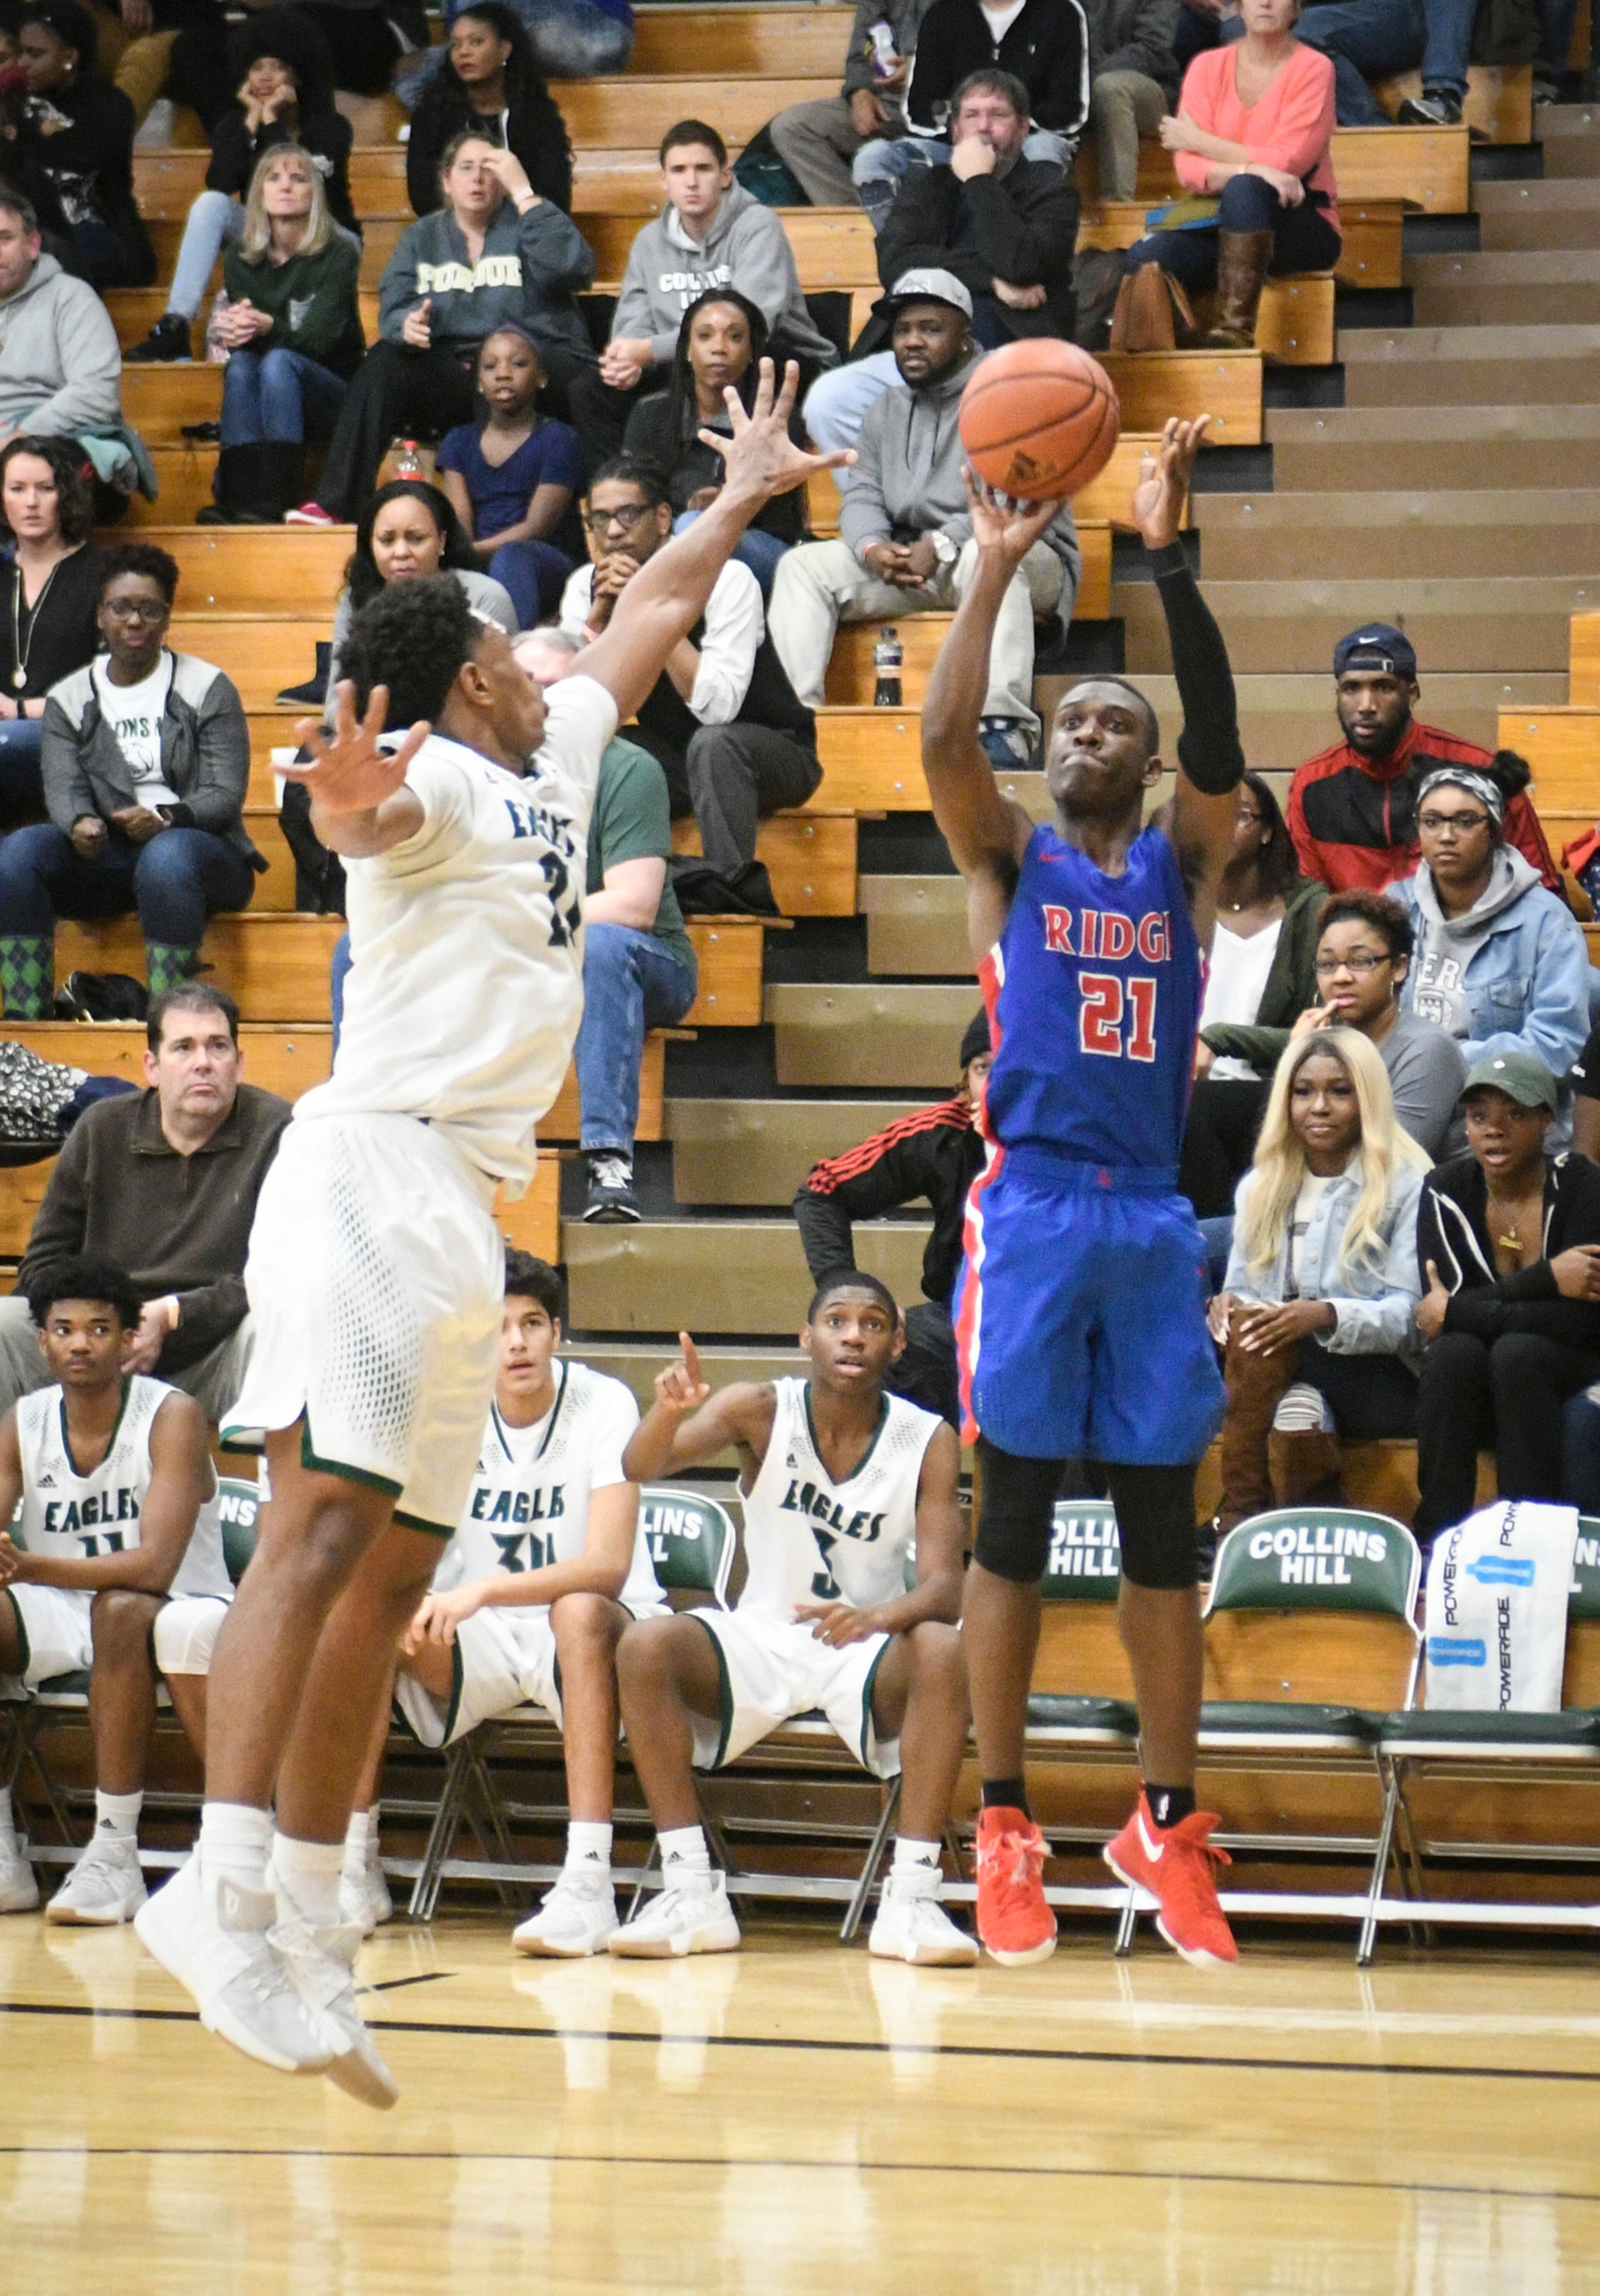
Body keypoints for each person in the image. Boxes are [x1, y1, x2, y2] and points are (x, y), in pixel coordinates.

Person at [132, 363, 846, 2104]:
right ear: (476, 672)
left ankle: (309, 1913)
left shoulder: (563, 749)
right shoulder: (450, 777)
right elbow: (357, 815)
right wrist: (341, 791)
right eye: (531, 653)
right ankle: (212, 1885)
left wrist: (741, 496)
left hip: (465, 1205)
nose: (567, 663)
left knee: (395, 1574)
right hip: (372, 1171)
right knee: (312, 1535)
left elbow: (656, 602)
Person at [921, 415, 1242, 1969]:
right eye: (1068, 720)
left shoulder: (1183, 866)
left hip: (1147, 1211)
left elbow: (1232, 751)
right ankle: (1004, 1825)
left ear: (1148, 756)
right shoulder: (1012, 867)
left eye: (1113, 720)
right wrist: (987, 576)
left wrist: (1167, 562)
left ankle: (1165, 1822)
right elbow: (938, 750)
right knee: (1019, 1530)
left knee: (1167, 1540)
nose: (1084, 734)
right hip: (1038, 1207)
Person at [609, 1274, 975, 1965]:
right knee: (646, 1642)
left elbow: (946, 1588)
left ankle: (913, 1898)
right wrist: (667, 1411)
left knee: (943, 1648)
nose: (854, 1334)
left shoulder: (927, 1438)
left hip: (866, 1646)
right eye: (836, 1320)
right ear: (806, 1337)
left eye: (872, 1323)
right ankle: (692, 1889)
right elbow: (640, 1464)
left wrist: (876, 1617)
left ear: (896, 1342)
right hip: (764, 1635)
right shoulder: (759, 1408)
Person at [372, 1251, 669, 1955]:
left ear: (556, 1332)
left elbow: (605, 1568)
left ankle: (589, 1881)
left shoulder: (605, 1402)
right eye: (499, 1328)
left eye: (531, 1323)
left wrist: (480, 1590)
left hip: (603, 1632)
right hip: (488, 1634)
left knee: (575, 1611)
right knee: (373, 1618)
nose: (516, 1342)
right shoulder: (450, 1412)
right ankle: (352, 1859)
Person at [0, 1257, 233, 1924]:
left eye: (99, 1328)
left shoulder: (173, 1415)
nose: (80, 1343)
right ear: (41, 1341)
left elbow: (155, 1566)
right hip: (61, 1603)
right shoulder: (25, 1418)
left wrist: (33, 1567)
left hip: (180, 1605)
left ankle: (114, 1851)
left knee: (123, 1609)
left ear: (130, 1337)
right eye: (64, 1329)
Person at [771, 270, 1078, 773]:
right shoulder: (885, 409)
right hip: (923, 559)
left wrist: (942, 543)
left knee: (989, 553)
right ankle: (792, 729)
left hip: (1023, 553)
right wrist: (872, 547)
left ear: (965, 338)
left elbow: (1010, 498)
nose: (913, 340)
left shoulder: (1009, 395)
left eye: (931, 328)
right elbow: (863, 493)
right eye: (903, 329)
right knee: (804, 567)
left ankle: (1005, 729)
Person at [0, 985, 288, 1417]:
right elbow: (42, 1265)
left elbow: (284, 1274)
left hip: (212, 1351)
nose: (203, 1063)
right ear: (152, 1067)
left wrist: (174, 1315)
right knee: (5, 1323)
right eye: (183, 1048)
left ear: (240, 1064)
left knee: (277, 1328)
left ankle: (270, 1485)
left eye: (218, 1046)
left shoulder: (279, 1131)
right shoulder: (102, 1128)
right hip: (100, 1343)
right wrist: (108, 1323)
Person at [285, 134, 596, 528]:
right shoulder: (421, 237)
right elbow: (394, 304)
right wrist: (406, 325)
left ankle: (491, 523)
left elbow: (574, 269)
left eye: (490, 170)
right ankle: (336, 501)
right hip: (452, 367)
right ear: (446, 181)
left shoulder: (531, 220)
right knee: (384, 358)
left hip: (534, 364)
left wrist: (525, 193)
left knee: (499, 364)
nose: (478, 179)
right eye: (467, 169)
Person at [0, 545, 260, 1015]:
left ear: (167, 618)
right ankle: (27, 1023)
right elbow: (62, 781)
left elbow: (224, 795)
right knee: (19, 854)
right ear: (101, 616)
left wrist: (167, 818)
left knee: (167, 856)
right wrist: (79, 820)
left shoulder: (207, 687)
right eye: (121, 608)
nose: (134, 621)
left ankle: (174, 1024)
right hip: (110, 854)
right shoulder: (71, 696)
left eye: (149, 609)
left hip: (202, 853)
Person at [559, 455, 819, 914]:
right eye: (600, 520)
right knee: (596, 747)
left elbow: (717, 709)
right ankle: (587, 887)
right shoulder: (587, 586)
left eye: (627, 515)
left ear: (663, 519)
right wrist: (600, 624)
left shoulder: (726, 579)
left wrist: (654, 611)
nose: (614, 532)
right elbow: (569, 710)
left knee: (715, 745)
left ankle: (730, 893)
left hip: (772, 749)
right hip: (678, 755)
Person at [1210, 1029, 1428, 1531]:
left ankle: (1239, 1515)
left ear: (1368, 1097)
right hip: (1274, 1370)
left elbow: (1410, 1318)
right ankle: (1290, 1511)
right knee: (1264, 1360)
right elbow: (1247, 1287)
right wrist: (1227, 1304)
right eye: (1303, 1092)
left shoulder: (1407, 1183)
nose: (1319, 1107)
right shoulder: (1261, 1185)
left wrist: (1325, 1314)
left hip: (1378, 1374)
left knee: (1260, 1350)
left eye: (1340, 1091)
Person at [803, 72, 1080, 468]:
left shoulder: (1051, 191)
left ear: (1022, 128)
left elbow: (1020, 263)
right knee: (829, 399)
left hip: (1005, 359)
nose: (984, 127)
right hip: (916, 354)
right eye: (972, 115)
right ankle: (881, 509)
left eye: (998, 115)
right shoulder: (927, 185)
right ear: (954, 129)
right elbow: (897, 266)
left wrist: (981, 181)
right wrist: (989, 280)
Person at [515, 626, 697, 1223]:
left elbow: (633, 905)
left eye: (553, 686)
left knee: (600, 943)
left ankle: (608, 1158)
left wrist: (508, 918)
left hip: (646, 960)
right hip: (528, 956)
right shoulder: (487, 773)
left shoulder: (626, 767)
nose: (538, 699)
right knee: (358, 947)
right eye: (523, 683)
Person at [282, 479, 518, 912]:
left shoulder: (486, 596)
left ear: (443, 540)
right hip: (382, 735)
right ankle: (350, 904)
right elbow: (338, 705)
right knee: (309, 773)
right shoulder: (358, 598)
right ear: (369, 545)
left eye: (416, 538)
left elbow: (499, 702)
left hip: (458, 745)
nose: (401, 552)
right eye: (387, 540)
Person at [568, 120, 838, 473]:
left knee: (743, 357)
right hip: (684, 364)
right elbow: (633, 325)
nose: (691, 182)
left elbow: (751, 325)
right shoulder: (650, 241)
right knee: (591, 389)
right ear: (664, 180)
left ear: (726, 175)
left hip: (772, 356)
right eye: (679, 171)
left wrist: (649, 351)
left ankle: (742, 491)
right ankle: (626, 496)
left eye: (703, 169)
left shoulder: (757, 225)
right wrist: (627, 360)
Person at [1414, 1050, 1600, 1541]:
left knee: (1518, 1353)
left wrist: (1459, 1311)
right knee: (1453, 1355)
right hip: (1483, 1365)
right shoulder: (1445, 1189)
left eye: (1514, 1115)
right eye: (1479, 1118)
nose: (1494, 1130)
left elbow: (1583, 1323)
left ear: (1546, 1120)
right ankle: (1438, 1537)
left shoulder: (1585, 1188)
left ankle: (1531, 1538)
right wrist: (1546, 1282)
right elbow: (1443, 1323)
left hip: (1577, 1358)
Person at [123, 10, 356, 366]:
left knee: (344, 239)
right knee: (210, 204)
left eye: (276, 67)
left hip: (327, 233)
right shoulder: (238, 123)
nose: (264, 77)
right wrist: (249, 122)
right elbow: (220, 181)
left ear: (298, 73)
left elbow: (301, 182)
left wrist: (271, 122)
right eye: (256, 67)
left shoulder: (330, 127)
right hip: (267, 232)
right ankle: (175, 325)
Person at [795, 1009, 991, 1428]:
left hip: (1055, 1321)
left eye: (1012, 1068)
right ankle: (907, 1490)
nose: (996, 1085)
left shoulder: (1084, 1136)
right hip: (960, 1316)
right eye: (983, 1068)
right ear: (964, 1086)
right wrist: (846, 1294)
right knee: (882, 1348)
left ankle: (1072, 1496)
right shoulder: (943, 1132)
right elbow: (823, 1189)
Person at [1115, 0, 1338, 355]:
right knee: (1148, 256)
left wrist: (1201, 142)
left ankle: (1234, 333)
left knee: (1245, 190)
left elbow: (1289, 161)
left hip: (1298, 222)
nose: (1265, 3)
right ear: (1238, 7)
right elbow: (1189, 171)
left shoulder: (1315, 68)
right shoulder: (1207, 67)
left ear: (1296, 9)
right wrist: (1256, 169)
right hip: (1217, 223)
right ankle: (1186, 356)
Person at [1287, 622, 1561, 897]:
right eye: (1352, 688)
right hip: (1357, 936)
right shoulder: (1312, 785)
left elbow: (1542, 894)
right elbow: (1309, 906)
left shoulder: (1479, 770)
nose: (1366, 705)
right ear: (1338, 695)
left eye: (1384, 687)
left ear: (1413, 693)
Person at [1199, 888, 1468, 1165]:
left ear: (1399, 967)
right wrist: (1298, 1059)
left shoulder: (1428, 1050)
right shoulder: (1328, 1039)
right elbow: (1281, 1145)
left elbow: (1394, 1166)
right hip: (1333, 1187)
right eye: (1327, 964)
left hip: (1403, 1199)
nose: (1341, 977)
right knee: (1205, 1105)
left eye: (1361, 961)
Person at [1393, 757, 1590, 1119]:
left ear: (1495, 830)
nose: (1446, 836)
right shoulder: (1394, 910)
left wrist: (1438, 1064)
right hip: (1403, 1100)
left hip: (1506, 1109)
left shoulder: (1546, 921)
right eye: (1432, 822)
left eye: (1466, 822)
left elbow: (1555, 1045)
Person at [1180, 771, 1322, 1219]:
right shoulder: (1172, 906)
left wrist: (1219, 1038)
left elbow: (1319, 1030)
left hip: (1274, 1088)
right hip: (1184, 1089)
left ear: (1266, 832)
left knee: (1199, 1111)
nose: (1221, 829)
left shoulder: (1309, 911)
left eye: (1239, 816)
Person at [202, 145, 364, 527]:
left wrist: (265, 326)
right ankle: (237, 498)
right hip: (272, 392)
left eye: (298, 178)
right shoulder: (241, 258)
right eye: (273, 178)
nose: (286, 187)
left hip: (335, 393)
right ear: (259, 193)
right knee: (241, 363)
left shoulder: (339, 254)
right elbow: (251, 338)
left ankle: (277, 497)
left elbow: (320, 341)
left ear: (315, 193)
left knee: (278, 362)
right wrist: (232, 330)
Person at [623, 288, 808, 600]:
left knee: (694, 524)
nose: (719, 348)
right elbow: (635, 494)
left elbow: (783, 519)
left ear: (751, 353)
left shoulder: (776, 418)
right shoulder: (650, 415)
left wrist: (730, 503)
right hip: (672, 547)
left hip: (760, 546)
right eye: (705, 336)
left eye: (735, 337)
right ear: (687, 350)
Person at [853, 0, 1091, 230]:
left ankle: (1028, 259)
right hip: (955, 149)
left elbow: (1072, 111)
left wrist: (1006, 124)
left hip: (1027, 145)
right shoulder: (941, 14)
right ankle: (910, 258)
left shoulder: (1063, 12)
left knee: (1045, 151)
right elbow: (917, 110)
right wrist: (967, 127)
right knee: (874, 159)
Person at [436, 325, 585, 627]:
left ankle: (515, 657)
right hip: (477, 558)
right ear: (479, 382)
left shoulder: (560, 438)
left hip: (544, 562)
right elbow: (461, 520)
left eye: (518, 364)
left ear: (541, 377)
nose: (503, 374)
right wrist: (459, 553)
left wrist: (468, 554)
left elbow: (537, 527)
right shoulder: (459, 441)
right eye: (490, 367)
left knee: (512, 556)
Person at [0, 190, 134, 497]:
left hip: (53, 439)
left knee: (29, 467)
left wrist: (22, 435)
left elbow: (97, 393)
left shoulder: (72, 299)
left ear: (32, 245)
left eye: (5, 239)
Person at [13, 0, 154, 288]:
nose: (22, 64)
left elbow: (79, 155)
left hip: (98, 229)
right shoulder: (16, 102)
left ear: (70, 57)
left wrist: (18, 144)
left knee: (42, 253)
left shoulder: (109, 105)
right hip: (24, 230)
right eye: (21, 53)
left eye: (35, 54)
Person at [0, 433, 101, 816]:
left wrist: (23, 711)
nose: (31, 502)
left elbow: (117, 687)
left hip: (73, 736)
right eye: (17, 489)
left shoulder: (103, 575)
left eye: (45, 488)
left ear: (66, 495)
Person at [404, 3, 572, 222]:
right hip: (456, 237)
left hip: (525, 235)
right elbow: (423, 197)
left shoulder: (536, 116)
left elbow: (555, 198)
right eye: (456, 45)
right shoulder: (433, 115)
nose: (464, 52)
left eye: (477, 42)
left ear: (504, 50)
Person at [768, 0, 938, 210]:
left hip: (946, 112)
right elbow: (859, 56)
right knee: (792, 127)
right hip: (888, 106)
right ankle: (857, 219)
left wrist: (921, 69)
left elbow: (982, 61)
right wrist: (860, 94)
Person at [1293, 0, 1477, 128]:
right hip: (1361, 15)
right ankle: (1376, 132)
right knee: (1307, 31)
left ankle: (1443, 99)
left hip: (1434, 13)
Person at [1084, 0, 1181, 202]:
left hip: (1149, 85)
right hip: (1078, 84)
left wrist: (1085, 79)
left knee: (1110, 88)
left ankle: (1118, 206)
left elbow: (1153, 48)